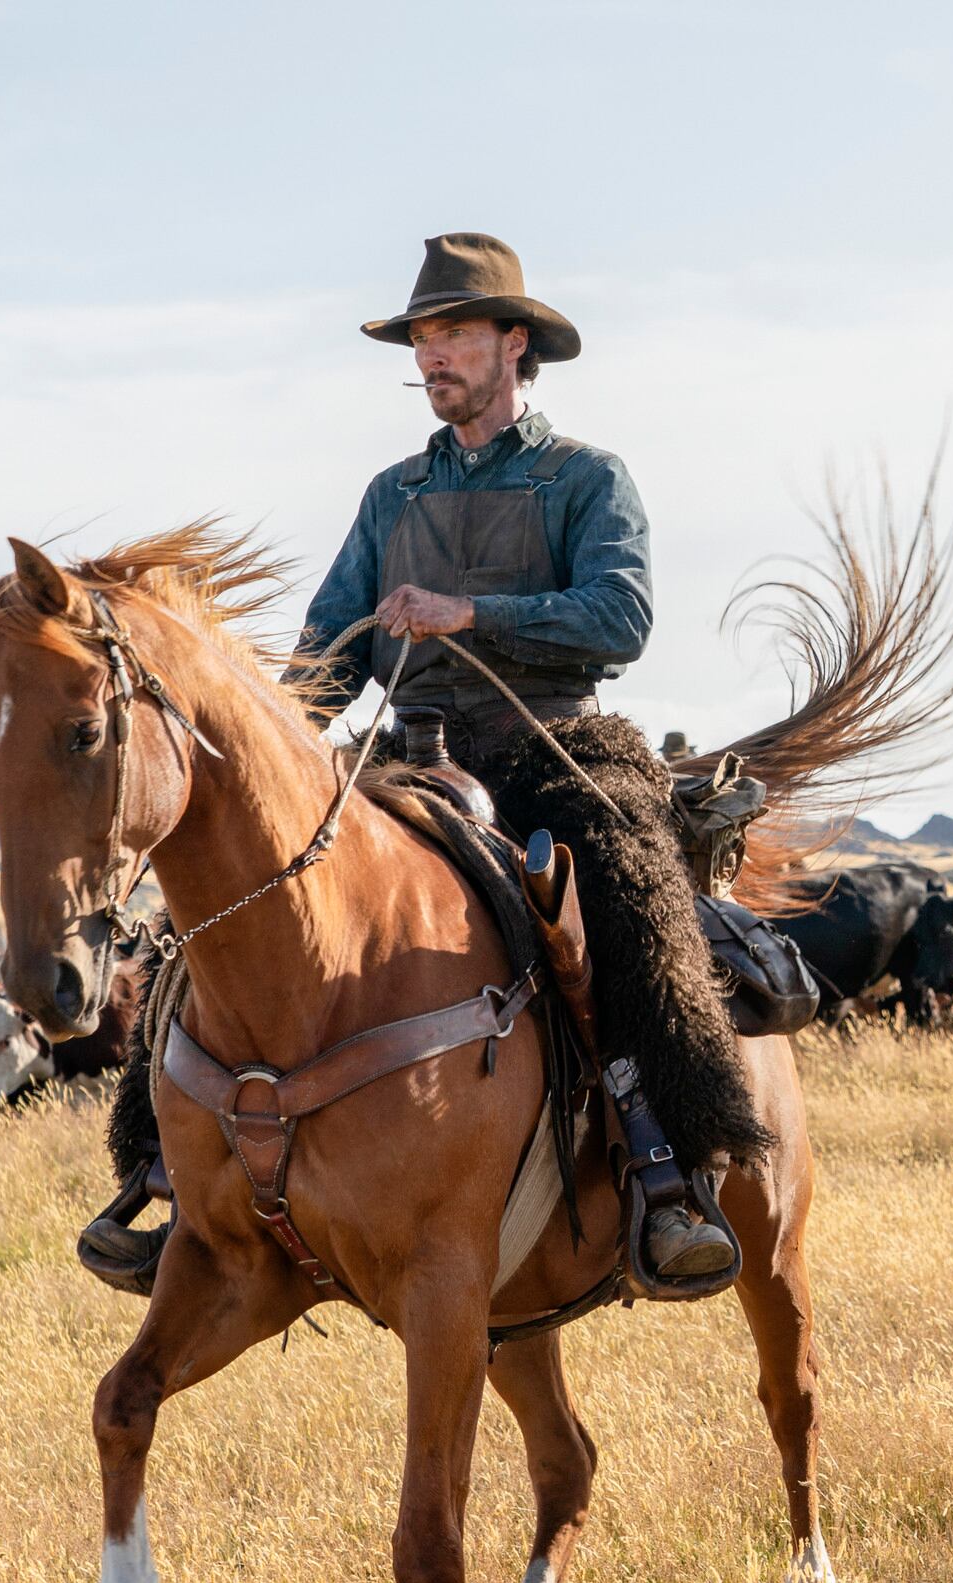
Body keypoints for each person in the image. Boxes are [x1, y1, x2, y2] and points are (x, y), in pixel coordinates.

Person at [290, 232, 738, 1284]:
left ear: (515, 343)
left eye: (453, 333)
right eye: (421, 339)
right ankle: (173, 1175)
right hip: (404, 758)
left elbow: (620, 616)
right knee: (252, 877)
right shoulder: (392, 493)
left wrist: (470, 614)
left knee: (627, 892)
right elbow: (327, 652)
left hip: (550, 745)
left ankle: (669, 1170)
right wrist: (262, 740)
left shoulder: (586, 477)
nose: (431, 356)